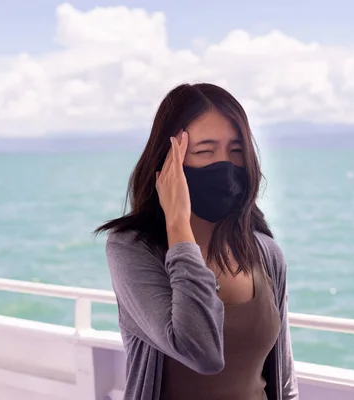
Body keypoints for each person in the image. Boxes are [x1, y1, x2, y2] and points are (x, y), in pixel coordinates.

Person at [95, 82, 298, 400]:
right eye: (205, 151)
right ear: (168, 162)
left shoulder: (266, 253)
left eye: (236, 151)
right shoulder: (131, 250)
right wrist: (178, 225)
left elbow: (283, 380)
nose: (226, 166)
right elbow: (202, 351)